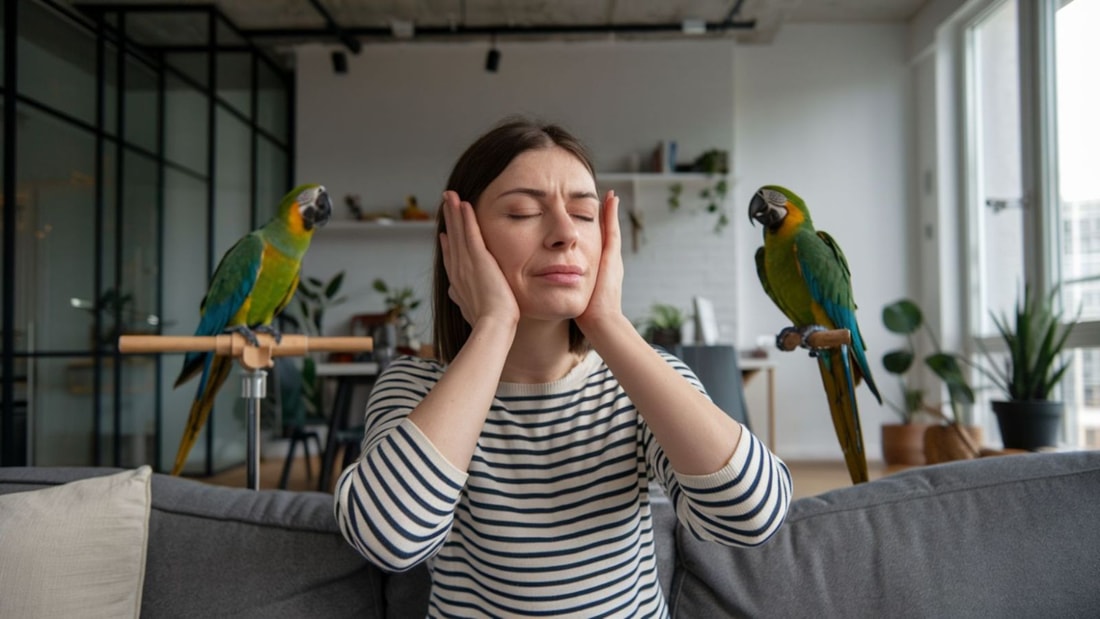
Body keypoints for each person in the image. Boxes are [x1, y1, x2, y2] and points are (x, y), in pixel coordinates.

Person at [334, 117, 792, 617]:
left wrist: (608, 323)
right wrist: (493, 326)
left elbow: (754, 519)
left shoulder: (641, 383)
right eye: (523, 211)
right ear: (460, 245)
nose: (564, 234)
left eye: (583, 212)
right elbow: (386, 539)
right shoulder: (412, 389)